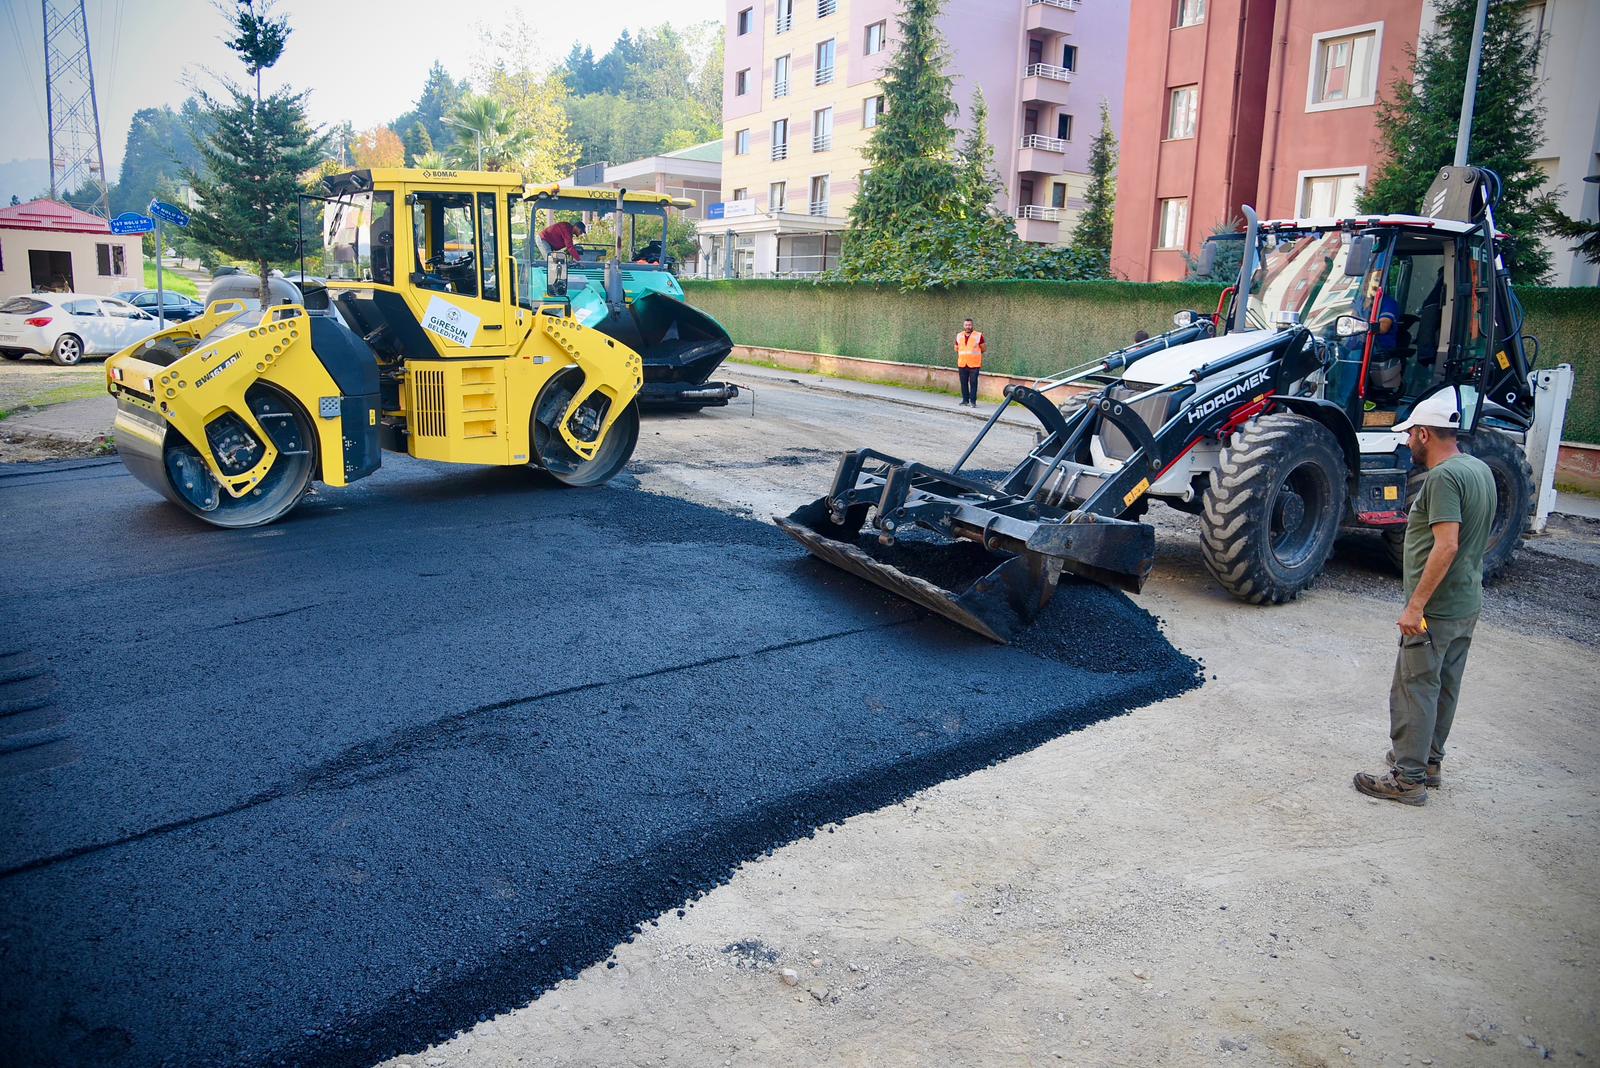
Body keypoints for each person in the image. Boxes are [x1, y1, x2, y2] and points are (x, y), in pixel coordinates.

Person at [1353, 390, 1495, 807]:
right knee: (1445, 687)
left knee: (1414, 688)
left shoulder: (1443, 478)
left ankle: (1407, 778)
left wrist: (1415, 605)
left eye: (1409, 436)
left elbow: (1446, 545)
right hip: (1465, 602)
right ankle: (1429, 762)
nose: (1407, 444)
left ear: (1422, 434)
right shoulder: (1478, 469)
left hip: (1436, 608)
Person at [954, 318, 986, 408]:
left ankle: (973, 401)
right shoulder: (959, 335)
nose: (968, 327)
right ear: (964, 326)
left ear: (972, 325)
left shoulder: (979, 335)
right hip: (962, 363)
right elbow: (956, 348)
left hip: (974, 364)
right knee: (963, 383)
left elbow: (983, 348)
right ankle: (965, 400)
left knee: (973, 383)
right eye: (966, 325)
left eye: (969, 325)